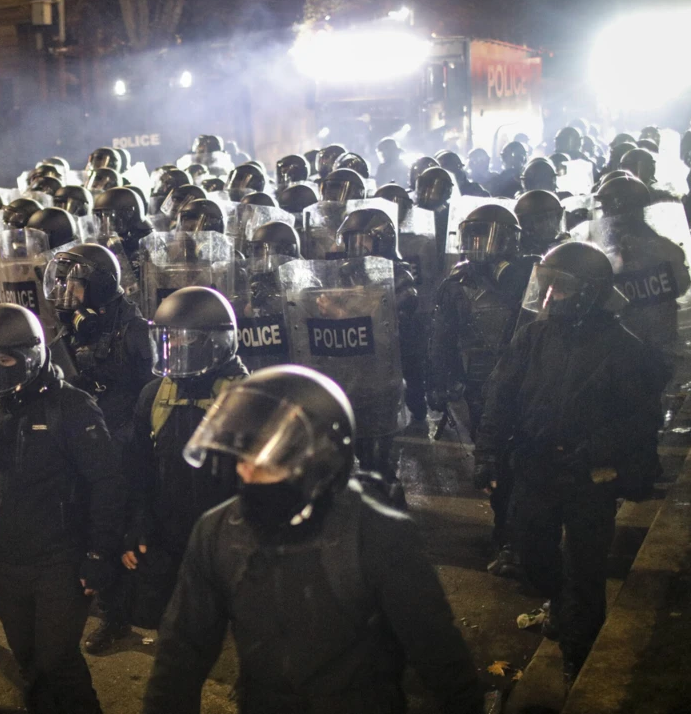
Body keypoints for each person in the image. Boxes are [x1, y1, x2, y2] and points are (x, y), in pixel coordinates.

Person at [142, 366, 482, 714]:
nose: (245, 473)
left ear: (318, 464)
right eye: (244, 458)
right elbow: (181, 652)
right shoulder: (218, 532)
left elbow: (439, 657)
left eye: (265, 463)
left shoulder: (377, 534)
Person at [475, 241, 664, 683]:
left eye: (560, 287)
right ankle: (560, 606)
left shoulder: (625, 349)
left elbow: (639, 419)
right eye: (546, 285)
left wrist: (599, 450)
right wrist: (486, 456)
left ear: (589, 292)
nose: (550, 296)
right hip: (535, 468)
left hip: (588, 478)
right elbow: (500, 398)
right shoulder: (533, 337)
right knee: (534, 558)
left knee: (585, 570)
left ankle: (579, 657)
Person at [0, 304, 126, 714]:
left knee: (58, 659)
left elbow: (107, 482)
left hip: (60, 559)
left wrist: (99, 554)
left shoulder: (71, 408)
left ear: (29, 356)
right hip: (9, 556)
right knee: (28, 657)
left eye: (3, 358)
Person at [43, 244, 155, 654]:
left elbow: (150, 391)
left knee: (120, 525)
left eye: (75, 285)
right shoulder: (74, 325)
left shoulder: (135, 330)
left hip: (124, 439)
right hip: (88, 433)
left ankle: (117, 615)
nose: (67, 292)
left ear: (100, 287)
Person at [125, 287, 249, 629]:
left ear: (215, 341)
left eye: (185, 341)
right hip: (169, 536)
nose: (174, 349)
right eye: (168, 340)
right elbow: (139, 468)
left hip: (227, 542)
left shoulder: (248, 400)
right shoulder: (154, 396)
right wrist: (138, 523)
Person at [429, 204, 537, 573]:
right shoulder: (456, 283)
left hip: (529, 382)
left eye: (484, 235)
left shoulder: (533, 274)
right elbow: (441, 339)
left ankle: (526, 534)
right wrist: (438, 381)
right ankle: (505, 532)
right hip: (480, 384)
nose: (477, 244)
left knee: (526, 460)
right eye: (471, 235)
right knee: (494, 462)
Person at [339, 207, 426, 430]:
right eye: (352, 240)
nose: (357, 246)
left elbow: (397, 311)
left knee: (411, 374)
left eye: (363, 240)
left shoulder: (399, 273)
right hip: (363, 342)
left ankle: (417, 410)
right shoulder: (348, 272)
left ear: (382, 241)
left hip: (396, 342)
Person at [515, 190, 567, 255]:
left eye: (559, 216)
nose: (556, 222)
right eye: (541, 220)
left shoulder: (563, 249)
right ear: (526, 224)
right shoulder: (521, 256)